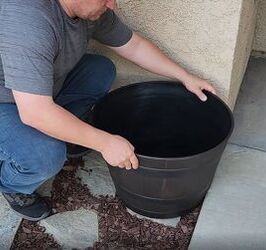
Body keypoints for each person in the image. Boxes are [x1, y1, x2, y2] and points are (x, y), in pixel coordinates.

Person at [0, 0, 216, 221]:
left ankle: (67, 133)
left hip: (36, 91)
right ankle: (12, 185)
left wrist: (185, 77)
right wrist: (104, 142)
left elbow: (133, 45)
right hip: (6, 103)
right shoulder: (27, 19)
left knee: (99, 70)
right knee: (46, 156)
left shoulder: (89, 10)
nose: (112, 5)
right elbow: (35, 112)